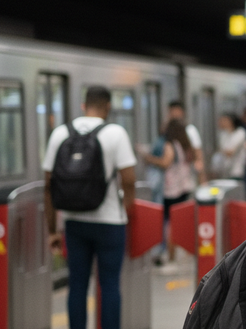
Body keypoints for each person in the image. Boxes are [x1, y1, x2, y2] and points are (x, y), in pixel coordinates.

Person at [43, 86, 137, 329]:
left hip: (74, 222)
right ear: (107, 107)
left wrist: (53, 229)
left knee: (77, 285)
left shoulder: (60, 133)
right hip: (109, 223)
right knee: (109, 285)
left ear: (83, 105)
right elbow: (128, 180)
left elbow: (48, 186)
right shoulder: (116, 133)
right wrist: (126, 211)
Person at [141, 118, 201, 271]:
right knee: (179, 221)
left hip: (171, 189)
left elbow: (165, 163)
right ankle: (179, 254)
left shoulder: (171, 144)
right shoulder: (186, 145)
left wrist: (149, 159)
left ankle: (171, 257)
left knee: (169, 224)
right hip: (184, 187)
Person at [167, 100, 205, 177]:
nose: (172, 114)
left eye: (174, 111)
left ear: (181, 112)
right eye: (170, 112)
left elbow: (198, 152)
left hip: (187, 170)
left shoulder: (190, 130)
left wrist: (201, 176)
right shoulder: (168, 130)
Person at [210, 113, 246, 180]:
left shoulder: (240, 132)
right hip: (224, 172)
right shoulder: (223, 134)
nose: (220, 123)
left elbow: (230, 152)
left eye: (224, 120)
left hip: (236, 171)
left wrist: (221, 151)